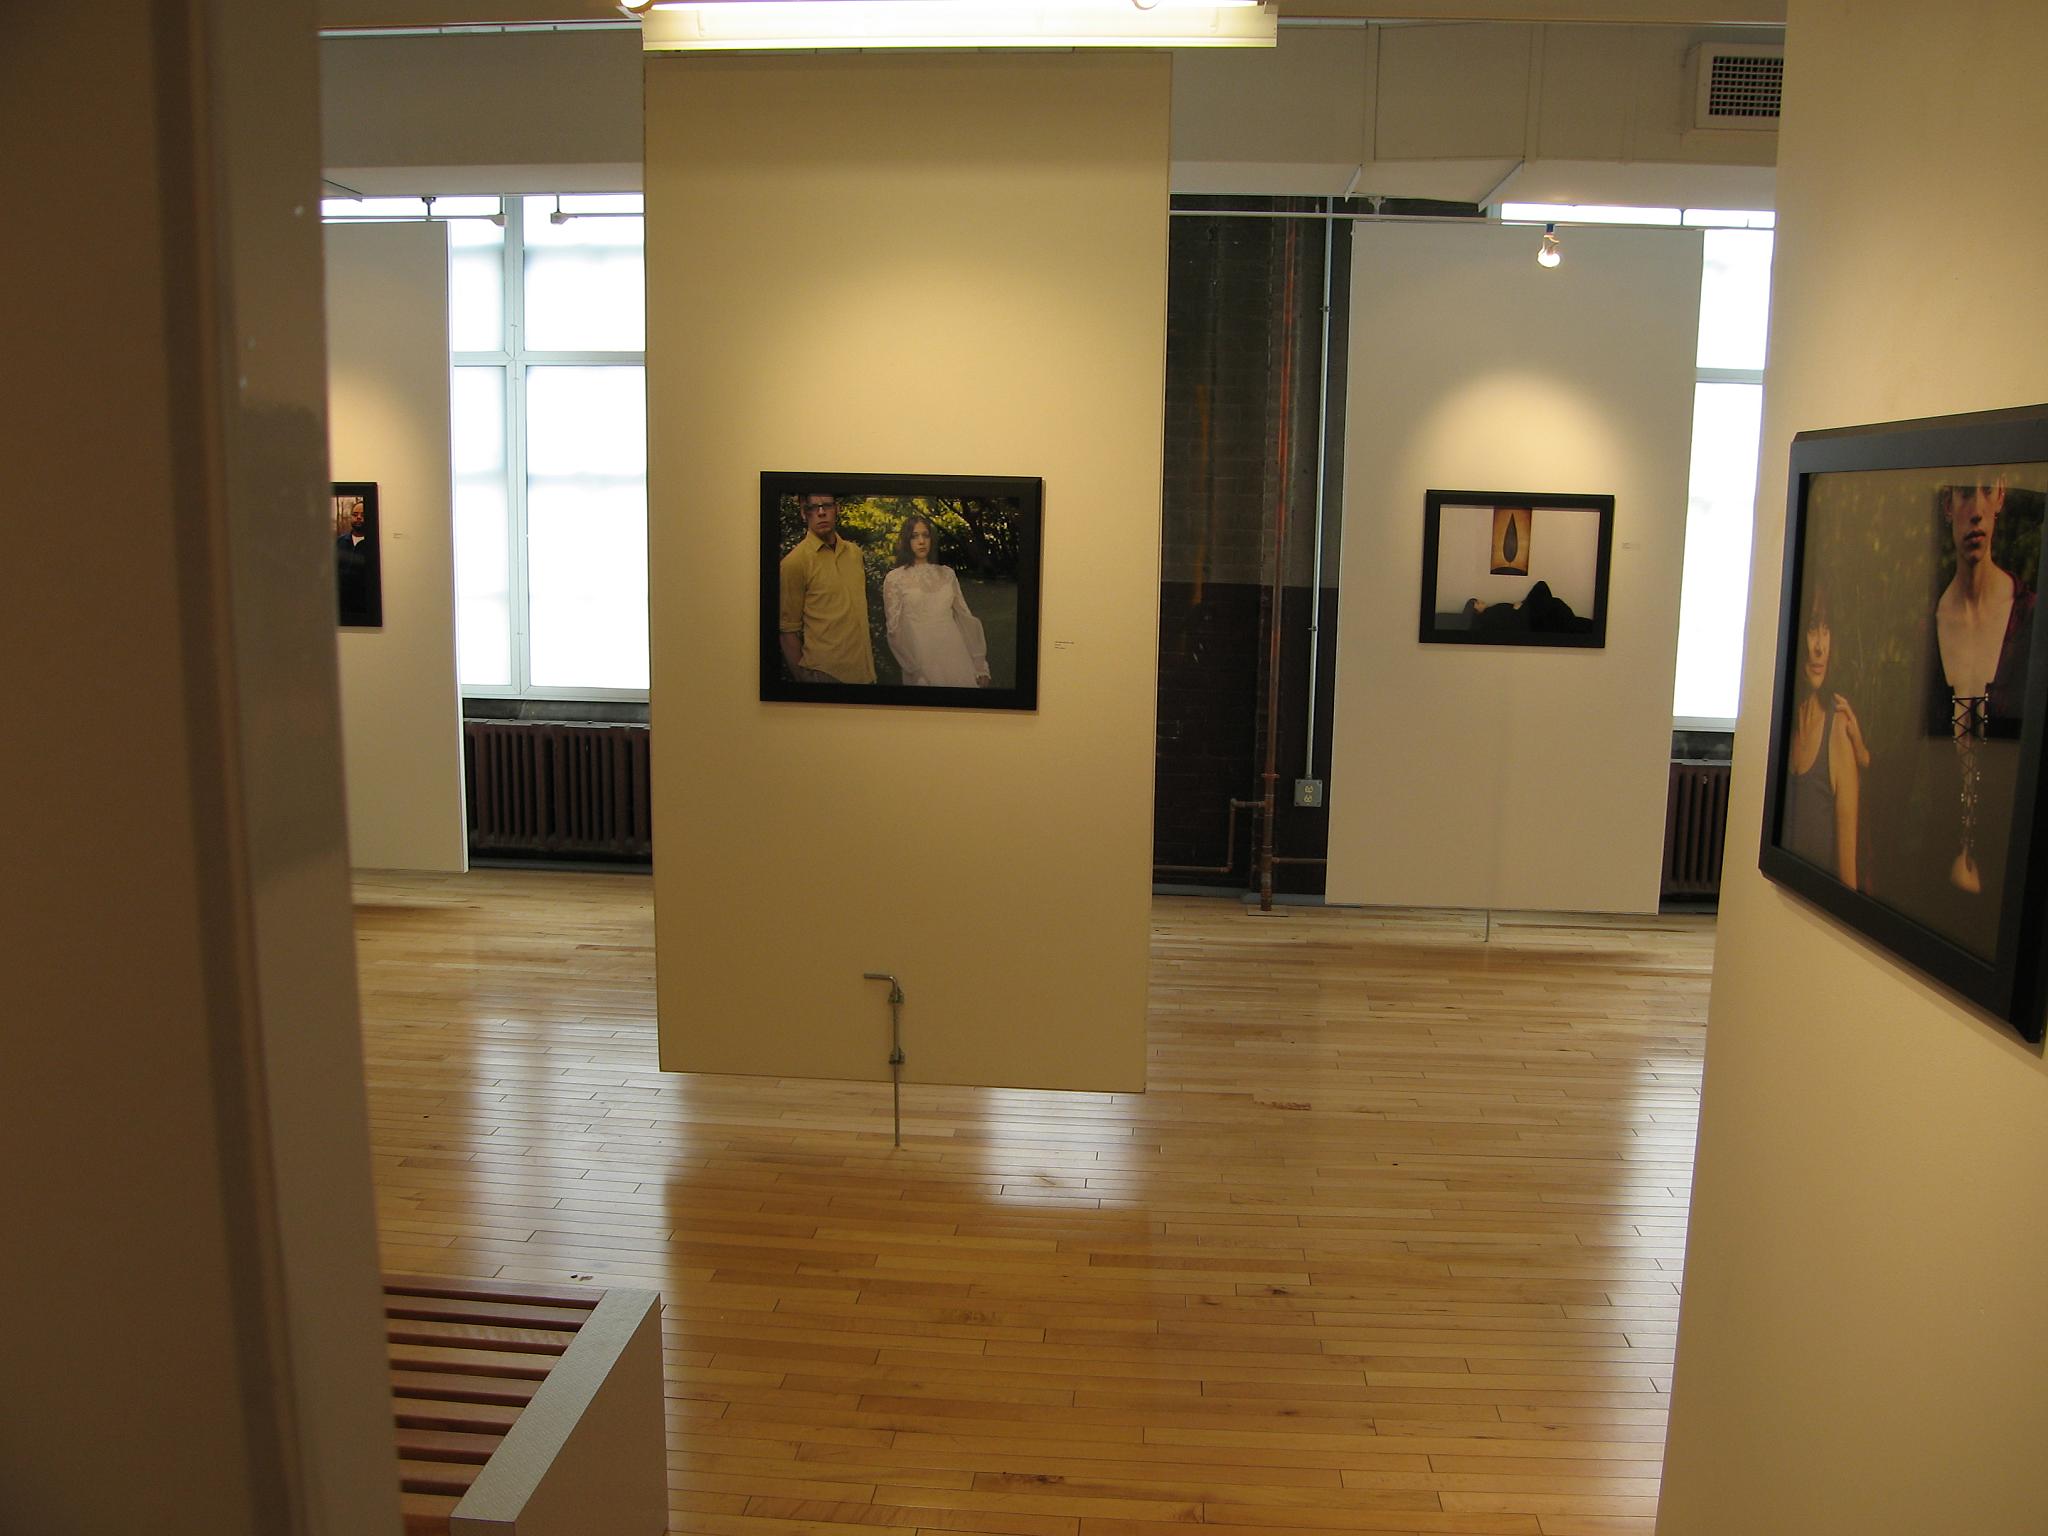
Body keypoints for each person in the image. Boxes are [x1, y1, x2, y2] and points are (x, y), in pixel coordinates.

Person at [1930, 476, 2034, 893]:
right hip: (1931, 868)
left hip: (2010, 873)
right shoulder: (1927, 625)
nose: (1975, 509)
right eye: (1964, 493)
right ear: (1948, 506)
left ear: (2001, 497)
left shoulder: (2030, 620)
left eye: (1986, 491)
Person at [1783, 580, 1869, 887]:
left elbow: (1849, 883)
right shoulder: (1786, 725)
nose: (1820, 646)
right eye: (1811, 629)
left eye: (1826, 630)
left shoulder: (1837, 734)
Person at [882, 513, 991, 687]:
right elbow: (895, 629)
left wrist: (980, 665)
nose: (921, 541)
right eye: (914, 536)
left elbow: (964, 616)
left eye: (925, 535)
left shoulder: (947, 574)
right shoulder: (895, 579)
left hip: (955, 652)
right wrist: (914, 669)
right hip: (921, 658)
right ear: (906, 541)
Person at [778, 492, 876, 684]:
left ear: (837, 509)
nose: (821, 513)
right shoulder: (795, 562)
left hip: (865, 674)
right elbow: (787, 630)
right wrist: (805, 681)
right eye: (813, 508)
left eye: (827, 506)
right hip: (824, 674)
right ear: (803, 513)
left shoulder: (854, 553)